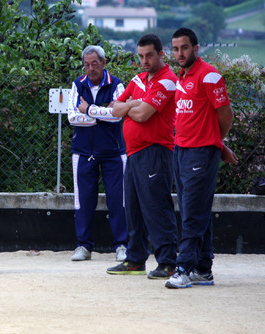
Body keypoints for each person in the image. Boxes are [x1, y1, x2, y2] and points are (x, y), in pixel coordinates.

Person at [101, 34, 179, 279]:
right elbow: (114, 109)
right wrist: (134, 103)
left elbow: (144, 114)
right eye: (141, 56)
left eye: (149, 55)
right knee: (132, 208)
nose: (144, 61)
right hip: (133, 153)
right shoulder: (139, 79)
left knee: (156, 207)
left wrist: (131, 106)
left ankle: (168, 262)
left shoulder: (167, 80)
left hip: (155, 151)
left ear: (160, 54)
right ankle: (135, 260)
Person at [166, 28, 238, 288]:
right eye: (175, 49)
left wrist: (216, 143)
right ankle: (203, 269)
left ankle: (183, 268)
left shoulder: (209, 76)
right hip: (181, 150)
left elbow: (226, 115)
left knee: (192, 214)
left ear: (196, 48)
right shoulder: (181, 76)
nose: (179, 53)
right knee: (193, 210)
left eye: (184, 48)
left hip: (201, 152)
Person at [68, 45, 128, 262]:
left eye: (94, 64)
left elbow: (119, 116)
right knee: (82, 200)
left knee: (118, 200)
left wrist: (89, 110)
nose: (90, 69)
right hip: (82, 152)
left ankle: (121, 245)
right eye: (86, 64)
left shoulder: (117, 84)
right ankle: (83, 246)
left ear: (104, 63)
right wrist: (103, 113)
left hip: (114, 152)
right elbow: (72, 118)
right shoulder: (77, 84)